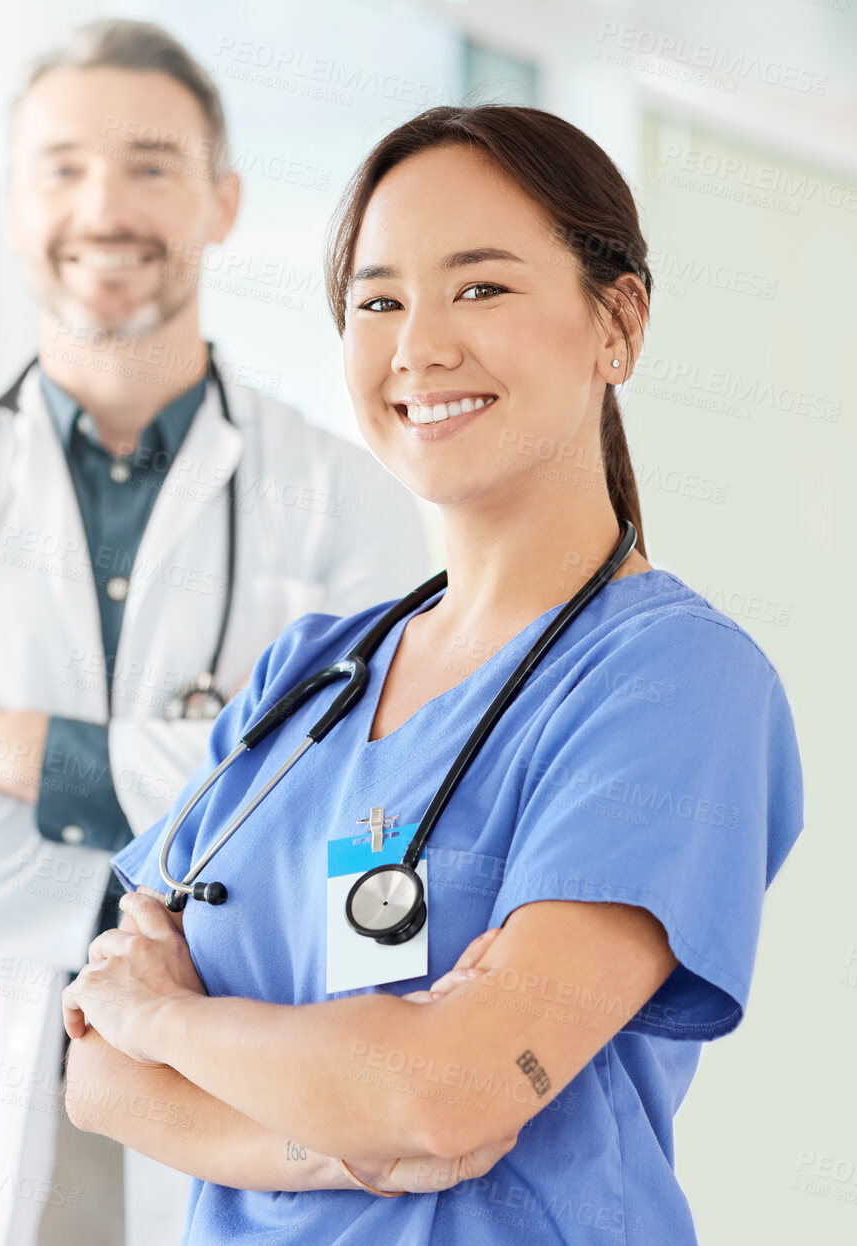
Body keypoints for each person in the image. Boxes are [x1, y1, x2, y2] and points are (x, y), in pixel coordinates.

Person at [61, 104, 804, 1245]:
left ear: (619, 321)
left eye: (482, 288)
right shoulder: (308, 677)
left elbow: (453, 1089)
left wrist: (168, 1017)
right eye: (378, 301)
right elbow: (98, 1074)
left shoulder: (672, 682)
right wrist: (336, 1136)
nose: (419, 346)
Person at [0, 20, 427, 1246]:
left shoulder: (352, 504)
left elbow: (363, 831)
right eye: (63, 167)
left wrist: (15, 754)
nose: (104, 206)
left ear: (223, 202)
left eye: (151, 165)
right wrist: (199, 844)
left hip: (239, 1126)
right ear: (16, 209)